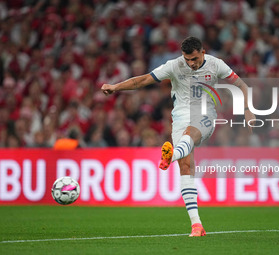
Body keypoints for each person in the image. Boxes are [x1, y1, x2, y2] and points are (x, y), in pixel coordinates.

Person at [101, 36, 256, 237]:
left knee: (190, 134)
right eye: (187, 59)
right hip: (179, 118)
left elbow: (242, 85)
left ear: (203, 52)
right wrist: (115, 87)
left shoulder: (217, 65)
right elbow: (143, 80)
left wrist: (247, 109)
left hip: (205, 115)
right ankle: (196, 225)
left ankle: (170, 155)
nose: (190, 63)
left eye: (194, 59)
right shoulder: (174, 65)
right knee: (186, 167)